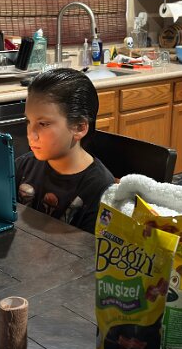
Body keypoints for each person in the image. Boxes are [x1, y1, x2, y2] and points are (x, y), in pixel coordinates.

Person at [15, 68, 115, 233]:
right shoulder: (23, 166)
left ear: (79, 127)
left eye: (43, 124)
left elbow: (88, 247)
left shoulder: (101, 189)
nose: (31, 135)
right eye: (28, 121)